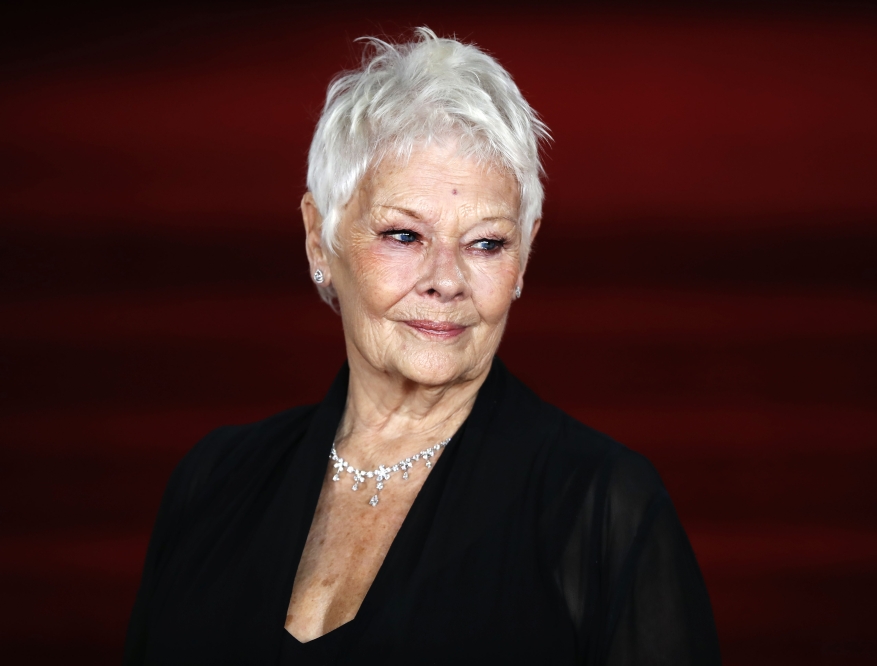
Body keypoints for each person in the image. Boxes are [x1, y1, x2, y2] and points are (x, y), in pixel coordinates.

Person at [124, 28, 721, 666]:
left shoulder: (603, 507)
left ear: (524, 256)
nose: (446, 280)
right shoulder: (213, 481)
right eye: (405, 235)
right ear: (318, 241)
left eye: (487, 242)